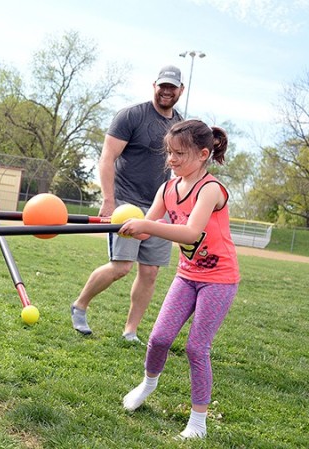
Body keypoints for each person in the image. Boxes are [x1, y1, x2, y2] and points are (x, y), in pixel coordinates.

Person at [119, 120, 240, 439]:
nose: (171, 159)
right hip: (187, 276)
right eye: (169, 153)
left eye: (179, 154)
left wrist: (145, 225)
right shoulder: (168, 188)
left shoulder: (211, 189)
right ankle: (147, 385)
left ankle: (198, 423)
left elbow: (190, 233)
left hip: (220, 279)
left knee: (196, 347)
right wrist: (121, 224)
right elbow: (147, 226)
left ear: (203, 154)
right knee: (159, 338)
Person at [70, 65, 185, 343]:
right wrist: (109, 200)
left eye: (172, 87)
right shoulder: (132, 116)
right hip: (126, 202)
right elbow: (107, 157)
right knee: (121, 266)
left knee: (150, 272)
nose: (167, 91)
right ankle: (80, 305)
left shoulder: (180, 125)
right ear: (154, 85)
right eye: (163, 86)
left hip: (159, 206)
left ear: (181, 90)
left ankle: (130, 331)